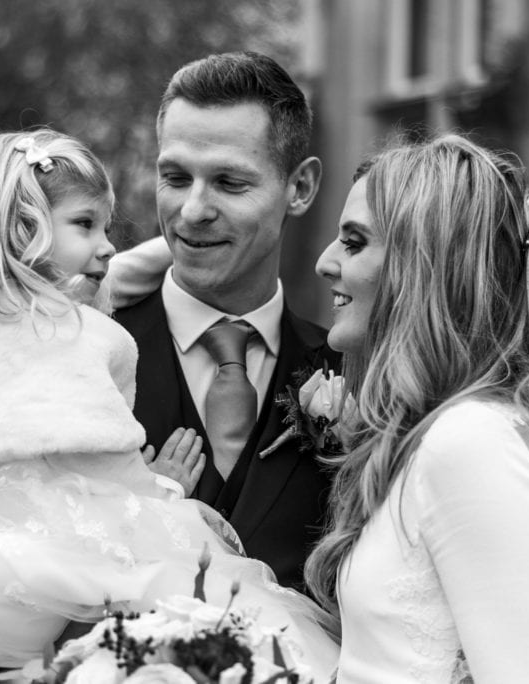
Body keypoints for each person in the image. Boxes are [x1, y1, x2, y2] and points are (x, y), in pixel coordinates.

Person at [0, 130, 338, 684]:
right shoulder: (78, 337)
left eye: (105, 229)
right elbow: (104, 467)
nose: (107, 247)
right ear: (23, 228)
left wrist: (146, 253)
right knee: (237, 610)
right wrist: (162, 486)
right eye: (86, 225)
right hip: (40, 582)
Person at [304, 134, 529, 682]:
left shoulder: (471, 442)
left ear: (424, 268)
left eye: (354, 243)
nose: (324, 262)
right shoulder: (436, 434)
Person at [115, 51, 340, 592]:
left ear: (300, 188)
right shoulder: (83, 354)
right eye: (175, 177)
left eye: (229, 182)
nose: (192, 210)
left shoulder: (352, 372)